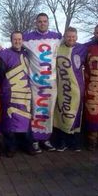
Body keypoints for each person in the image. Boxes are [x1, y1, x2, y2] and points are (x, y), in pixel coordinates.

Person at [22, 13, 62, 153]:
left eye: (45, 21)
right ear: (36, 23)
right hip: (35, 83)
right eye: (40, 22)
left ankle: (46, 139)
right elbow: (15, 46)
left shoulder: (57, 37)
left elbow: (70, 45)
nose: (42, 24)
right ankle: (34, 140)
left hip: (50, 82)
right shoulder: (27, 38)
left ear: (48, 22)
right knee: (36, 110)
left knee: (49, 111)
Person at [0, 31, 34, 157]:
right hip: (10, 93)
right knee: (10, 121)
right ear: (11, 40)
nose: (17, 41)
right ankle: (10, 147)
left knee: (25, 120)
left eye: (19, 39)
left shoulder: (28, 54)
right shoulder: (5, 54)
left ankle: (27, 145)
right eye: (15, 39)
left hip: (25, 93)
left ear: (22, 40)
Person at [53, 27, 87, 151]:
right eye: (68, 36)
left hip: (77, 89)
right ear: (64, 37)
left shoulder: (83, 49)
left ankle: (74, 142)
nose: (71, 38)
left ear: (77, 37)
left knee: (76, 115)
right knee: (62, 114)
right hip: (62, 89)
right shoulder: (57, 49)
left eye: (73, 36)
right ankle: (61, 142)